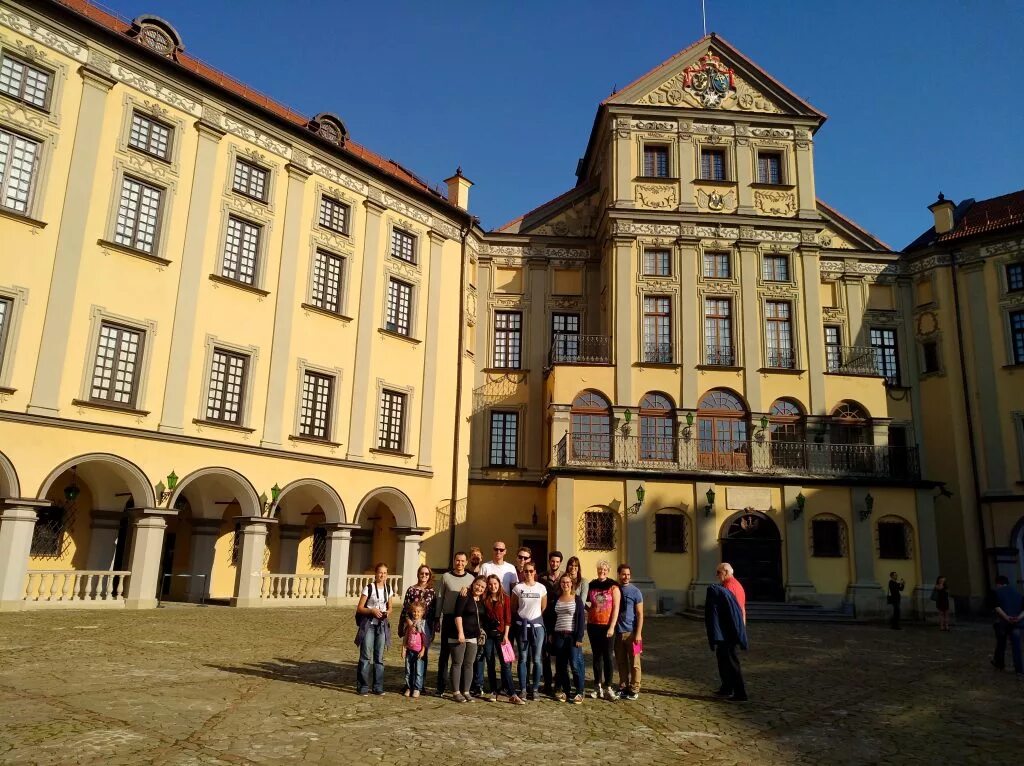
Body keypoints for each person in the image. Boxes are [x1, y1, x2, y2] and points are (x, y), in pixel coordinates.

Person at [433, 551, 475, 696]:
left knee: (463, 656)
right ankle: (441, 685)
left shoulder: (471, 578)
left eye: (463, 561)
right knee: (445, 654)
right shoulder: (446, 577)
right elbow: (439, 598)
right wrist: (437, 617)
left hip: (465, 621)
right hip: (449, 619)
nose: (460, 563)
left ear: (467, 562)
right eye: (457, 560)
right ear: (453, 561)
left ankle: (462, 687)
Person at [705, 579, 748, 702]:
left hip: (728, 632)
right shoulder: (732, 586)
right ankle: (726, 688)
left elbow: (733, 611)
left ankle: (740, 693)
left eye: (719, 573)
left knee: (731, 662)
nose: (717, 576)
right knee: (723, 659)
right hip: (728, 631)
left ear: (725, 571)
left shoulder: (730, 587)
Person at [355, 562, 393, 696]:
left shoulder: (389, 588)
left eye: (384, 572)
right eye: (380, 572)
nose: (382, 575)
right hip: (369, 624)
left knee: (379, 657)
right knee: (365, 656)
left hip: (382, 625)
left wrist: (387, 612)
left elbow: (390, 607)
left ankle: (378, 687)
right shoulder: (369, 588)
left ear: (387, 575)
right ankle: (363, 687)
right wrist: (372, 610)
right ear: (375, 574)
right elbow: (360, 608)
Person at [511, 560, 547, 700]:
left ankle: (536, 688)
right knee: (523, 659)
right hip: (522, 627)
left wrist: (534, 619)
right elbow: (514, 607)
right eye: (526, 571)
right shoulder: (518, 588)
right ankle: (524, 689)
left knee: (537, 659)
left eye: (531, 571)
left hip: (537, 628)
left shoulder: (541, 588)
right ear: (523, 572)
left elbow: (543, 607)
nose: (529, 574)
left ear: (535, 572)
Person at [480, 574, 518, 703]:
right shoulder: (485, 598)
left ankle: (512, 692)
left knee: (505, 664)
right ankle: (493, 690)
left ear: (499, 584)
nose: (493, 586)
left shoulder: (505, 598)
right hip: (489, 634)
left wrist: (506, 636)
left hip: (502, 634)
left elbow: (508, 619)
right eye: (490, 584)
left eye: (495, 584)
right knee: (490, 663)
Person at [397, 565, 435, 694]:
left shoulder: (431, 591)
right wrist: (409, 623)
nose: (424, 576)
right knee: (410, 656)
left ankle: (419, 685)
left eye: (426, 574)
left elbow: (433, 611)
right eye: (422, 573)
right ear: (418, 574)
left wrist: (433, 627)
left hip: (425, 627)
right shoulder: (411, 590)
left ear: (429, 576)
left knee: (422, 655)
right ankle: (408, 685)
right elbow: (405, 609)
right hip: (411, 625)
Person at [586, 560, 621, 701]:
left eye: (605, 569)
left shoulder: (613, 587)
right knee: (596, 657)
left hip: (607, 626)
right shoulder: (592, 585)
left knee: (607, 657)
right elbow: (586, 601)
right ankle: (597, 686)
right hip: (593, 625)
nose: (602, 571)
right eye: (600, 569)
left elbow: (616, 608)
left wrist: (612, 626)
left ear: (608, 571)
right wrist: (589, 610)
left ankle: (608, 687)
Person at [450, 576, 487, 702]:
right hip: (459, 635)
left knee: (469, 664)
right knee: (457, 663)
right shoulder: (464, 595)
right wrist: (460, 633)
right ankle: (456, 692)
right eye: (478, 585)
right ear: (473, 583)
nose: (479, 588)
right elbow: (458, 614)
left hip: (473, 637)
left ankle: (466, 691)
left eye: (482, 587)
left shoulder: (481, 600)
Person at [551, 573, 586, 704]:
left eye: (567, 582)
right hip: (559, 635)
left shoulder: (577, 599)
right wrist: (551, 634)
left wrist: (579, 637)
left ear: (572, 584)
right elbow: (553, 617)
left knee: (575, 665)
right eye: (563, 582)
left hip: (572, 637)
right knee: (561, 666)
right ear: (560, 584)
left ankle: (579, 691)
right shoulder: (557, 598)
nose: (565, 584)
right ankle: (566, 690)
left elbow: (581, 619)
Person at [614, 563, 644, 700]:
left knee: (635, 662)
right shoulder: (615, 589)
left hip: (633, 633)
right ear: (619, 575)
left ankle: (634, 688)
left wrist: (638, 634)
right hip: (618, 633)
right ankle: (623, 686)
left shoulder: (636, 592)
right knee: (621, 662)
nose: (626, 577)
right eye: (623, 574)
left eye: (628, 574)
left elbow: (640, 614)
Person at [538, 550, 564, 697]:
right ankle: (547, 683)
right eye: (552, 561)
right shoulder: (542, 577)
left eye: (557, 561)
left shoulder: (564, 578)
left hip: (560, 620)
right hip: (546, 620)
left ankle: (558, 684)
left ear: (560, 563)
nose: (554, 564)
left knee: (560, 653)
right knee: (545, 653)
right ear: (549, 562)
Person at [991, 575, 1023, 676]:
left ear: (998, 584)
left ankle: (1000, 664)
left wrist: (1007, 617)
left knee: (1001, 643)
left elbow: (997, 607)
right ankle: (1019, 669)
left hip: (1002, 623)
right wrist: (1018, 618)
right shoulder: (1018, 594)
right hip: (1017, 623)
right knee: (1016, 646)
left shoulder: (996, 592)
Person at [402, 601, 429, 698]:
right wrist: (403, 648)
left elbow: (425, 639)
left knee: (418, 671)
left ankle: (417, 688)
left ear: (422, 612)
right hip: (409, 650)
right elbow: (406, 636)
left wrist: (423, 650)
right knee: (408, 670)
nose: (416, 614)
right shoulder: (409, 624)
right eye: (414, 611)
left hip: (419, 652)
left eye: (418, 612)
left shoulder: (423, 624)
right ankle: (409, 687)